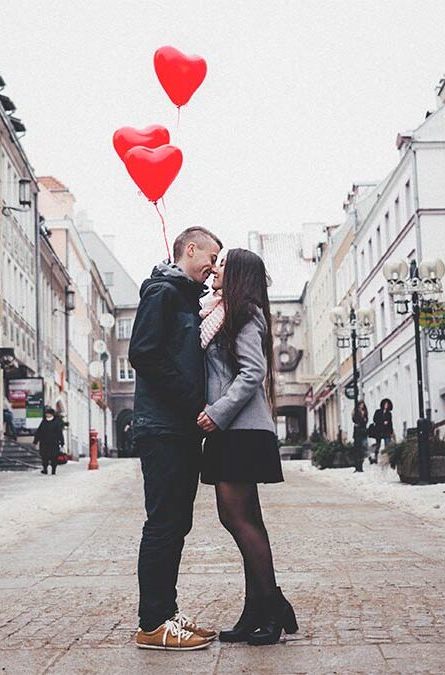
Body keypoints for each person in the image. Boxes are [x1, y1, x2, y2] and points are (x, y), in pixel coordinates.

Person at [197, 248, 297, 647]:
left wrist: (217, 413)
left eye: (222, 265)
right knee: (242, 520)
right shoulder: (218, 312)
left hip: (239, 428)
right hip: (231, 430)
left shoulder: (245, 313)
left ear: (237, 273)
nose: (214, 270)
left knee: (240, 520)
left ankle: (271, 607)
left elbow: (252, 371)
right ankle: (259, 608)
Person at [129, 226, 223, 651]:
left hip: (180, 428)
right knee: (164, 524)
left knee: (176, 524)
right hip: (163, 427)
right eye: (212, 256)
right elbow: (144, 353)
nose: (214, 267)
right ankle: (152, 623)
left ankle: (167, 614)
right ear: (190, 248)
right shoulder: (162, 293)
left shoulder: (185, 297)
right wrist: (192, 404)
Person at [33, 407, 65, 475]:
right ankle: (45, 469)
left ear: (52, 414)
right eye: (46, 413)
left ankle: (53, 470)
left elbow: (59, 433)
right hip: (44, 443)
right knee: (44, 457)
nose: (47, 415)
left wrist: (62, 443)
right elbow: (39, 432)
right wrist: (35, 441)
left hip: (54, 443)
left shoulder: (56, 422)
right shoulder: (43, 422)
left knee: (54, 457)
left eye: (48, 413)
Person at [370, 398, 395, 465]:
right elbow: (375, 419)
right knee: (378, 444)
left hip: (386, 431)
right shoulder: (378, 412)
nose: (386, 405)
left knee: (388, 444)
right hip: (379, 430)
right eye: (385, 404)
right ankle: (375, 457)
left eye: (387, 404)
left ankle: (389, 458)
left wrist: (391, 431)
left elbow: (390, 423)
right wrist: (382, 422)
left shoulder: (389, 413)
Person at [351, 399, 369, 472]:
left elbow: (365, 421)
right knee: (357, 450)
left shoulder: (365, 412)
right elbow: (356, 420)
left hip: (363, 432)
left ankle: (360, 466)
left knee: (362, 450)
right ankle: (357, 466)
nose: (361, 406)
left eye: (362, 405)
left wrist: (363, 418)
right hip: (357, 433)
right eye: (360, 405)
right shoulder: (356, 413)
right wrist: (362, 418)